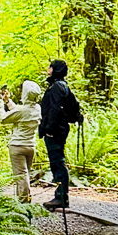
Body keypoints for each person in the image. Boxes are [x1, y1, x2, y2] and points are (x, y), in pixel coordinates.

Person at [37, 58, 82, 212]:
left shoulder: (57, 87)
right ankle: (60, 195)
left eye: (50, 66)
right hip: (59, 129)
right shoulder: (60, 86)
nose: (47, 68)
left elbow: (55, 109)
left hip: (56, 130)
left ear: (54, 69)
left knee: (58, 162)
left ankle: (61, 197)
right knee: (56, 161)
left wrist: (49, 129)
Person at [0, 78, 43, 204]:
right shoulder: (37, 108)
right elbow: (18, 113)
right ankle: (21, 202)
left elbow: (3, 118)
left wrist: (0, 102)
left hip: (17, 146)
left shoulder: (22, 110)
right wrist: (7, 101)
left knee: (21, 176)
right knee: (25, 175)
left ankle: (24, 204)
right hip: (30, 146)